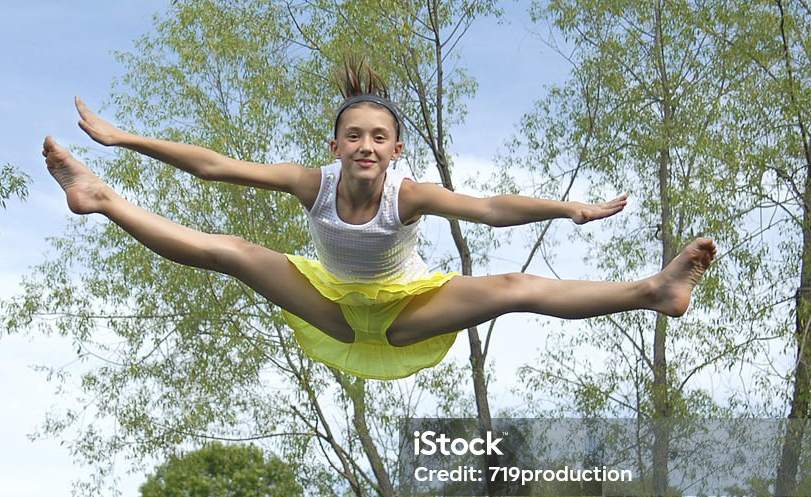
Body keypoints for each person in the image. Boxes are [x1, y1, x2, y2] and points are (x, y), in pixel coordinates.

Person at [42, 60, 715, 380]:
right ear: (334, 147)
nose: (365, 146)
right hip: (330, 304)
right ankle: (102, 199)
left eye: (378, 137)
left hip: (405, 312)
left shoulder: (408, 193)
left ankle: (654, 292)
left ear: (396, 151)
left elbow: (487, 209)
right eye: (353, 135)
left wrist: (566, 207)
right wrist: (124, 139)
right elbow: (214, 166)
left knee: (514, 290)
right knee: (229, 250)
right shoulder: (313, 184)